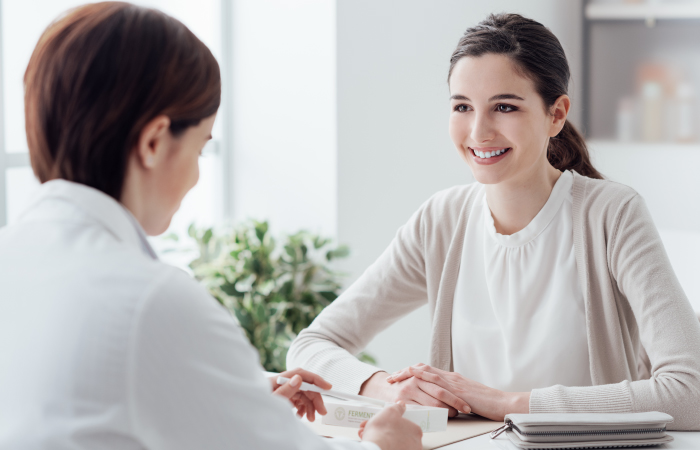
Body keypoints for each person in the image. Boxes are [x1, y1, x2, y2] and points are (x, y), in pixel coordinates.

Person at [0, 3, 423, 449]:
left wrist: (241, 391)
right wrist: (384, 444)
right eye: (200, 147)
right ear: (154, 142)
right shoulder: (151, 301)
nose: (197, 176)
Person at [287, 13, 700, 430]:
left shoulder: (612, 214)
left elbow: (691, 392)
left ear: (556, 114)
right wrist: (386, 388)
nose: (479, 131)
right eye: (462, 106)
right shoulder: (441, 220)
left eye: (504, 107)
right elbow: (311, 345)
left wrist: (503, 402)